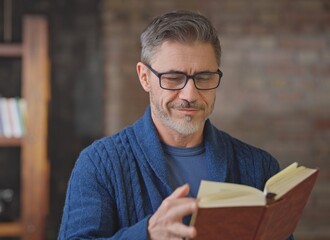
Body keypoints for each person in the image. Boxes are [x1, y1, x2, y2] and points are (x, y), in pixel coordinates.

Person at [59, 10, 293, 240]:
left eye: (203, 77)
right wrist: (147, 234)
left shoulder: (260, 166)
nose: (190, 94)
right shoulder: (99, 164)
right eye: (173, 78)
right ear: (144, 77)